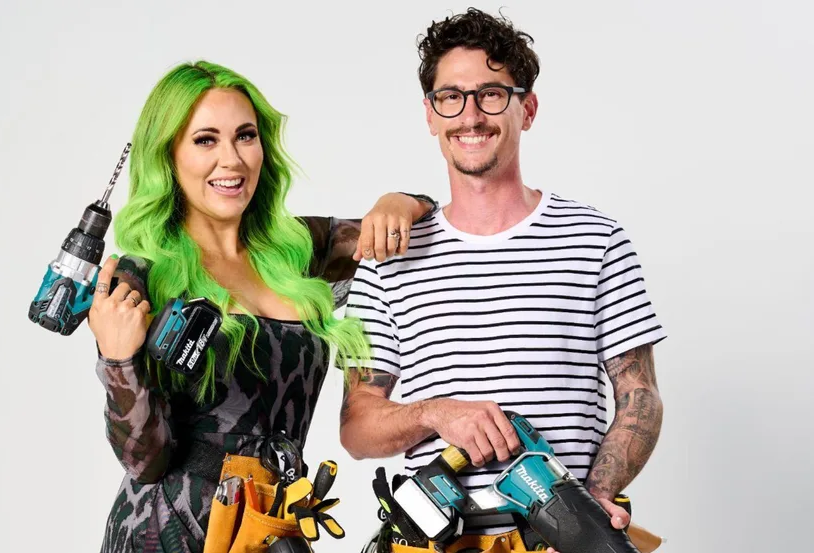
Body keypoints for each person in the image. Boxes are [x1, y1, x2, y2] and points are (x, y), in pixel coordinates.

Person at [340, 8, 666, 550]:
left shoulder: (596, 238)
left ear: (527, 109)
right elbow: (356, 428)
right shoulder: (386, 257)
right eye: (451, 97)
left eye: (491, 94)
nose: (470, 116)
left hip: (560, 542)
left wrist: (589, 502)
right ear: (430, 114)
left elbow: (640, 395)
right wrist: (436, 413)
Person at [87, 60, 437, 553]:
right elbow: (145, 462)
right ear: (167, 156)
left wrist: (400, 200)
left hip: (272, 524)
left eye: (245, 136)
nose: (231, 160)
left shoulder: (297, 247)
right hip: (170, 530)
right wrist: (118, 361)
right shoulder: (141, 278)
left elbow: (409, 232)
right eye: (205, 140)